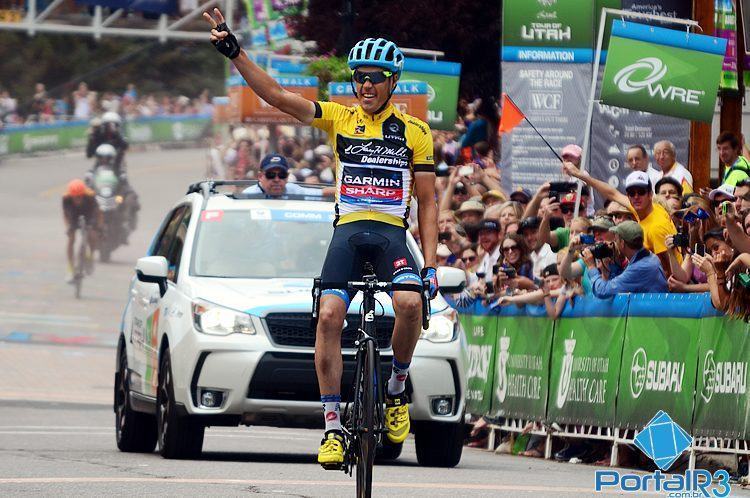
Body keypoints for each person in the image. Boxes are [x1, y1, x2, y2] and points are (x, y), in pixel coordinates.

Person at [205, 11, 439, 467]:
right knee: (330, 315)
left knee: (410, 305)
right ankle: (333, 427)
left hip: (392, 233)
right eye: (358, 79)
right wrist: (235, 52)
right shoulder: (337, 118)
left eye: (375, 79)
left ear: (393, 82)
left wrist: (429, 265)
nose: (365, 86)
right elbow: (274, 94)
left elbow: (428, 203)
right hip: (348, 231)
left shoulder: (415, 132)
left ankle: (396, 389)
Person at [563, 163, 678, 276]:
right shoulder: (645, 207)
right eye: (632, 193)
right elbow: (611, 193)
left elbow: (668, 271)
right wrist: (578, 174)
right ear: (628, 196)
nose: (636, 196)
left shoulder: (656, 227)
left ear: (650, 194)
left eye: (641, 192)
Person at [584, 221, 668, 298]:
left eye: (616, 240)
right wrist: (613, 263)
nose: (614, 243)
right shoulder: (648, 256)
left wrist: (591, 267)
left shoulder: (640, 267)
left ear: (622, 243)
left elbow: (602, 291)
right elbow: (622, 281)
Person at [62, 179, 102, 283]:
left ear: (83, 194)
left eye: (80, 197)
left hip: (89, 214)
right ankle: (71, 268)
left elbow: (98, 212)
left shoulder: (90, 196)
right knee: (71, 239)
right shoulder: (66, 198)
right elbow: (65, 215)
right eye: (75, 197)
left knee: (92, 235)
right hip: (73, 215)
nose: (77, 199)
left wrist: (98, 226)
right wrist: (68, 227)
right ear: (71, 196)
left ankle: (91, 256)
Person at [242, 154, 333, 197]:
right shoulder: (248, 196)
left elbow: (323, 193)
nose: (277, 179)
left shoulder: (294, 191)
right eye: (271, 175)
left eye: (282, 175)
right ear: (260, 176)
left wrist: (346, 190)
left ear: (287, 176)